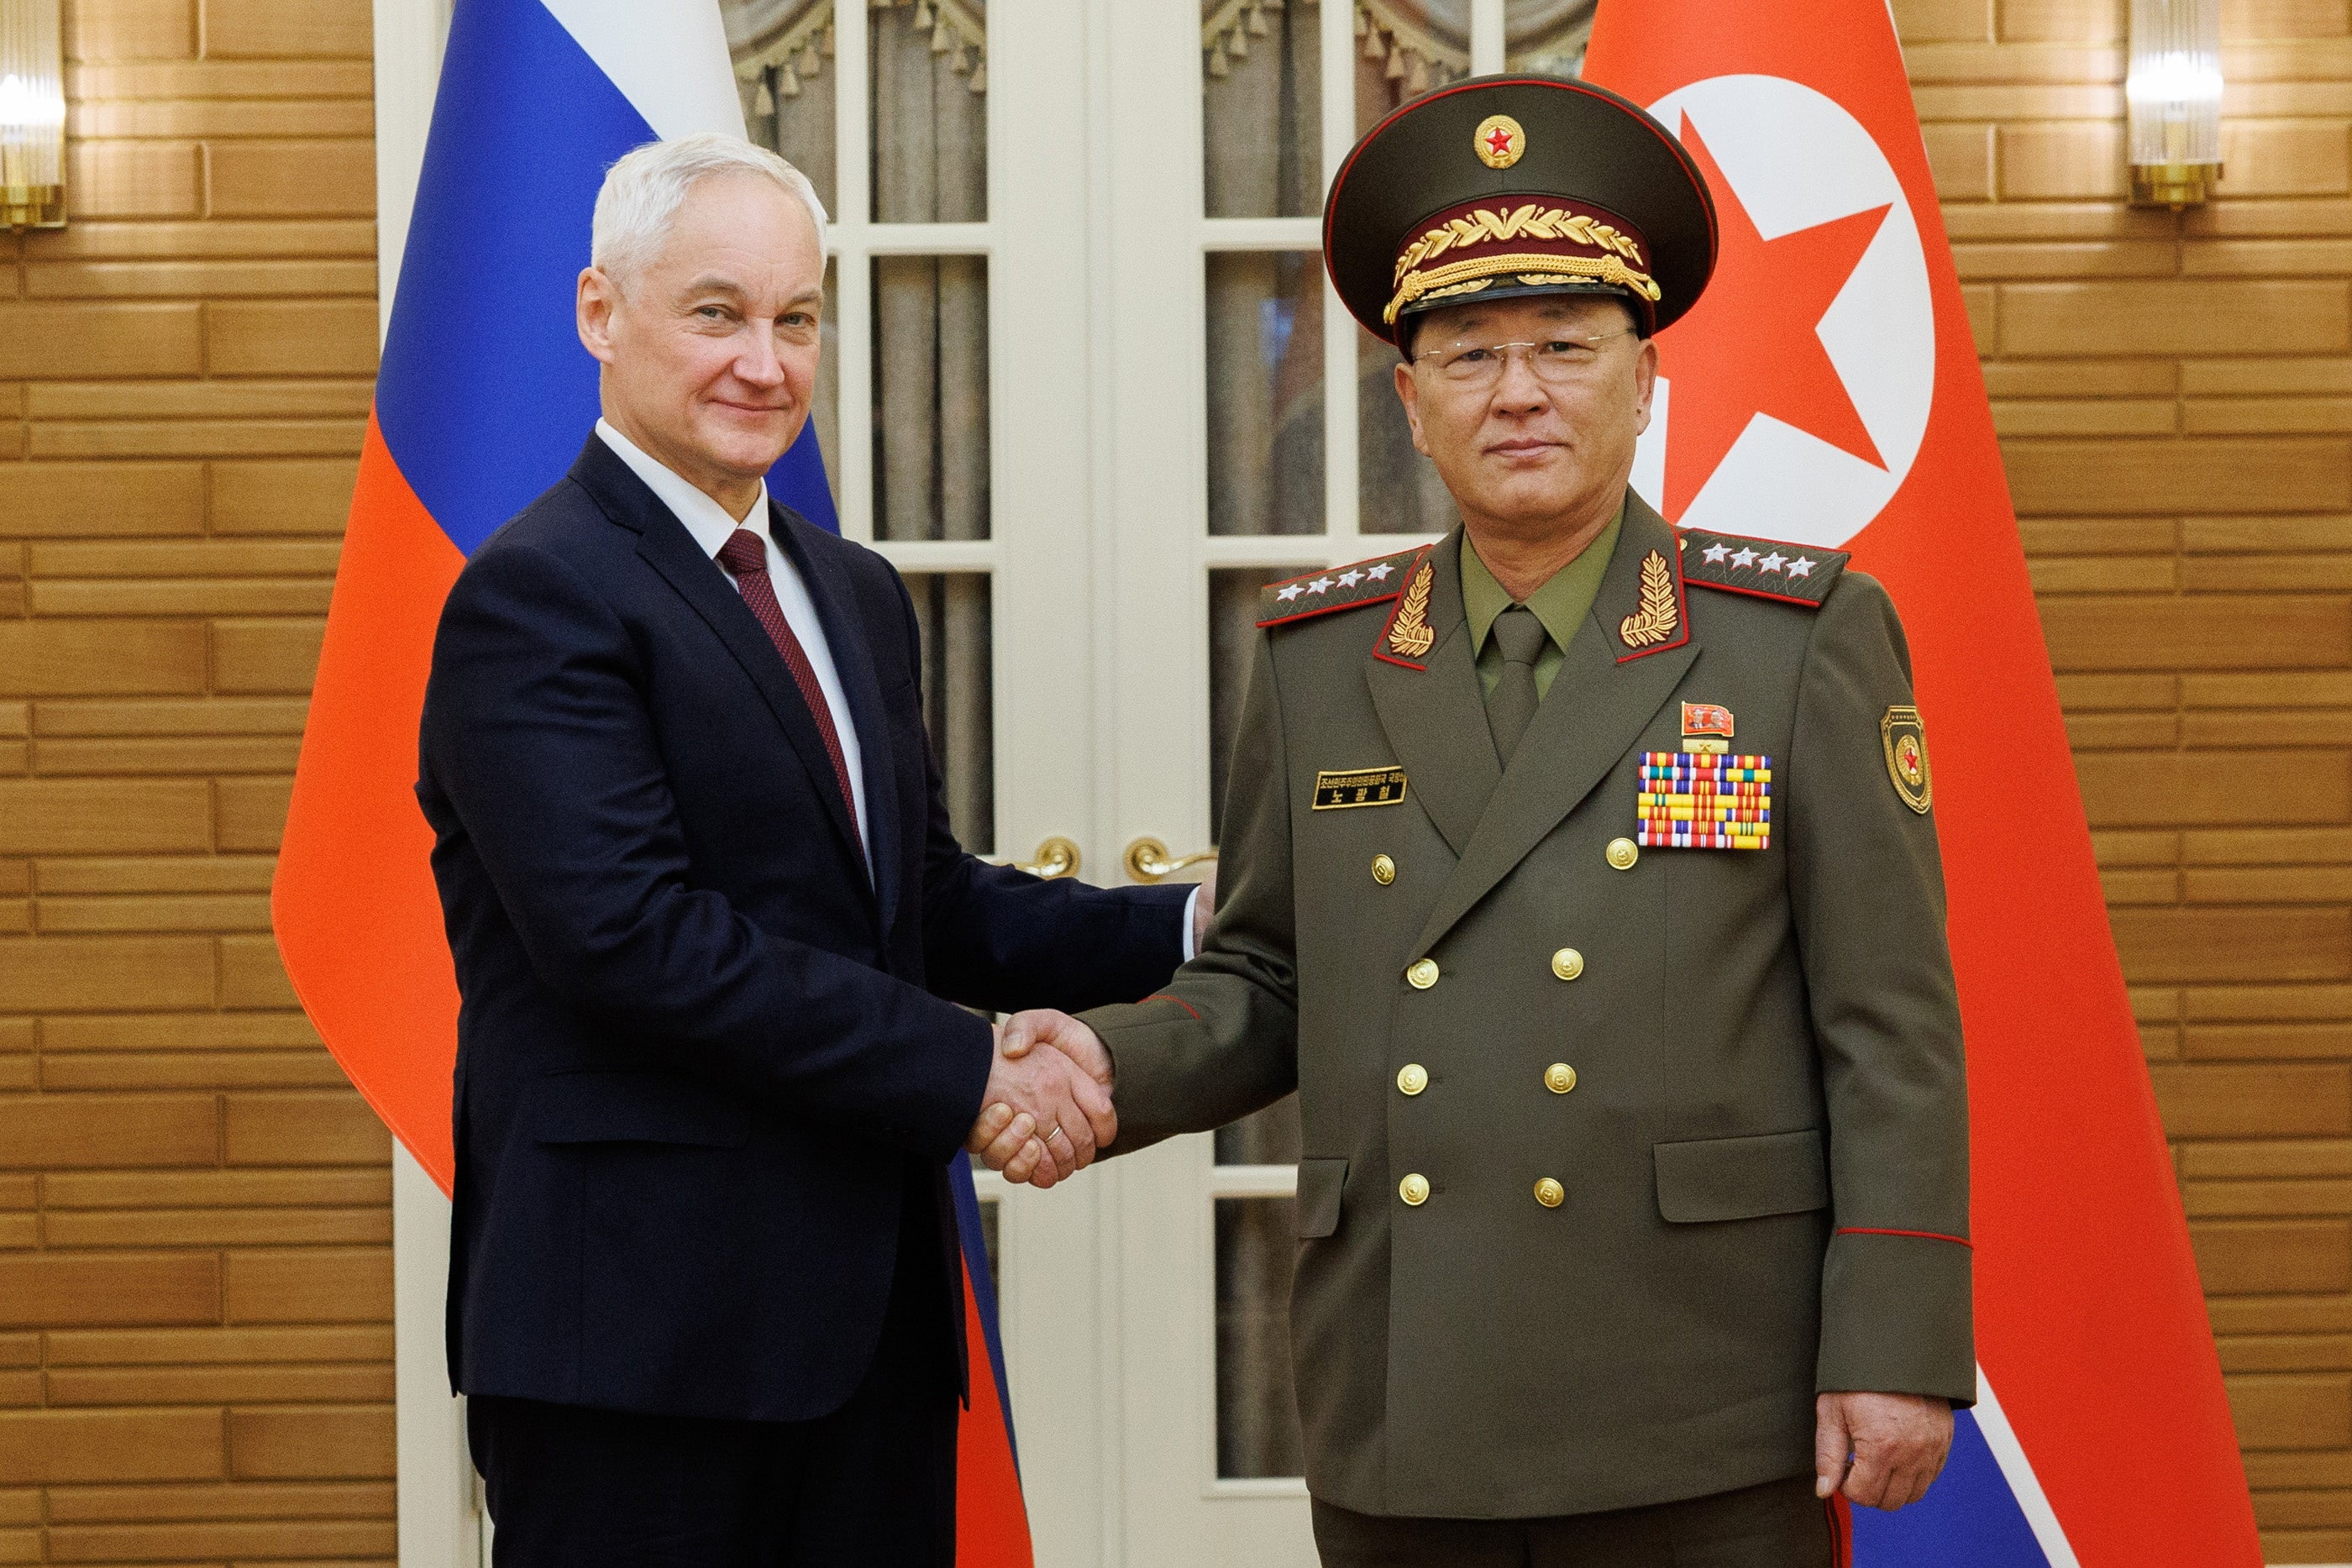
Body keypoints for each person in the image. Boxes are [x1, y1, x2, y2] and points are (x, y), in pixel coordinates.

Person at [999, 76, 1971, 1565]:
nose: (1518, 393)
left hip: (1703, 1380)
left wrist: (1898, 1337)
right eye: (1467, 355)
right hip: (1410, 1380)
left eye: (1567, 348)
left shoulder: (1796, 637)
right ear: (1409, 400)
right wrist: (1099, 1067)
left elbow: (1888, 1023)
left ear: (1646, 377)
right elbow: (1266, 975)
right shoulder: (1320, 660)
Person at [414, 133, 1206, 1567]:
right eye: (716, 312)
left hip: (868, 1330)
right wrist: (971, 1072)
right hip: (637, 1349)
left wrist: (1193, 930)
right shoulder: (534, 598)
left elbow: (921, 897)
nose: (765, 364)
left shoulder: (848, 591)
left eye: (796, 318)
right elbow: (633, 946)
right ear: (602, 313)